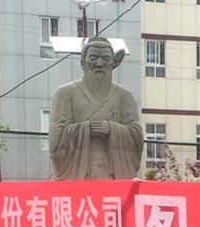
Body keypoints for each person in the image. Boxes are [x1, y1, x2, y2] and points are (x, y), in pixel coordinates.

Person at [49, 36, 143, 180]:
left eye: (106, 58)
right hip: (80, 174)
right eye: (93, 58)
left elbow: (136, 135)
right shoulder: (65, 93)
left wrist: (111, 129)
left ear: (113, 63)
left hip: (112, 173)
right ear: (83, 63)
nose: (99, 63)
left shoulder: (125, 96)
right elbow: (56, 136)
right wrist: (86, 129)